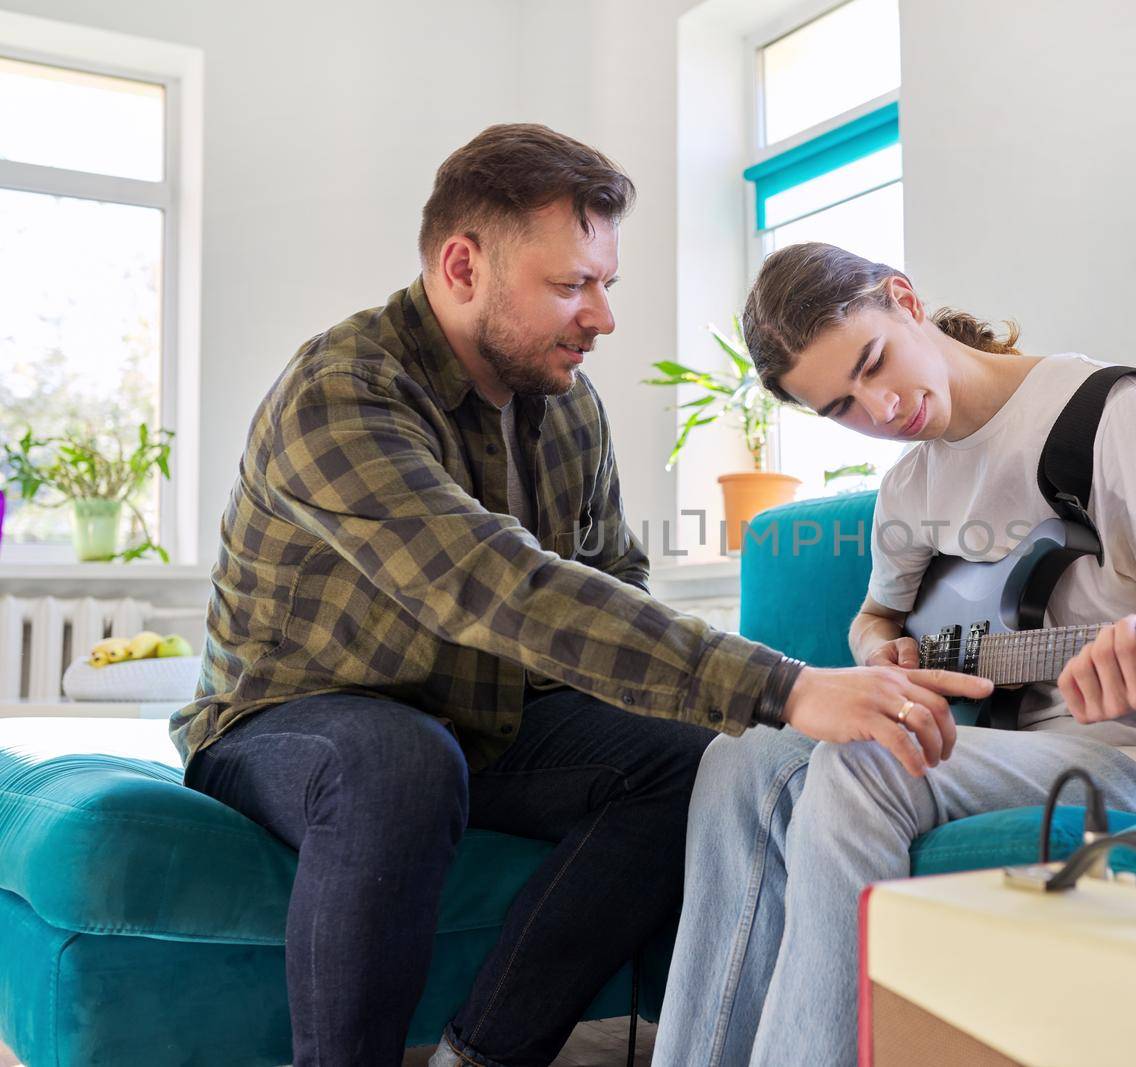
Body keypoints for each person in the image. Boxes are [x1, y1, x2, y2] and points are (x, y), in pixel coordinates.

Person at [170, 131, 988, 1067]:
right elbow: (494, 585)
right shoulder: (341, 392)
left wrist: (738, 715)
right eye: (571, 286)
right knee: (400, 760)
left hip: (492, 718)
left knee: (702, 756)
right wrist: (789, 685)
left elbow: (610, 585)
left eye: (607, 284)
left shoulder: (567, 404)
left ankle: (482, 1055)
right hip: (291, 717)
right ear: (462, 265)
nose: (601, 316)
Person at [654, 242, 1136, 1067]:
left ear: (904, 299)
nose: (880, 408)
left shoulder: (1111, 411)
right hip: (1020, 747)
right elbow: (873, 617)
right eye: (842, 406)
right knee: (739, 758)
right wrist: (885, 653)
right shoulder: (910, 486)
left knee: (870, 763)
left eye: (874, 363)